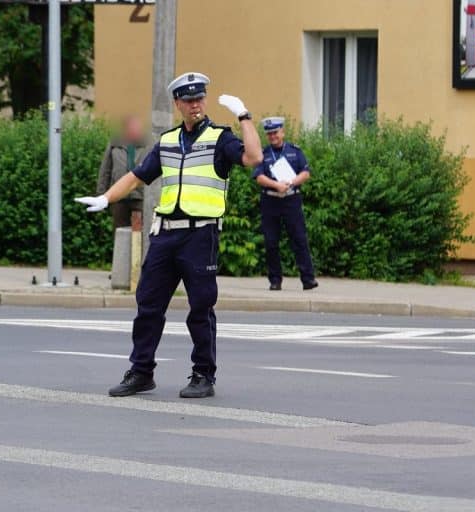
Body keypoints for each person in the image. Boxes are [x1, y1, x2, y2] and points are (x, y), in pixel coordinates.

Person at [76, 72, 263, 399]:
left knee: (200, 308)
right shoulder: (168, 141)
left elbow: (254, 158)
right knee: (148, 303)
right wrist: (107, 198)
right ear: (177, 103)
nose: (196, 105)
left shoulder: (221, 138)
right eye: (189, 100)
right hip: (165, 235)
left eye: (200, 98)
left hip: (200, 235)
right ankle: (141, 371)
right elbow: (136, 177)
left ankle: (203, 374)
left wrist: (244, 116)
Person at [252, 117, 318, 291]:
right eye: (269, 133)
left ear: (282, 132)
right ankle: (275, 281)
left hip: (291, 199)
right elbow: (259, 177)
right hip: (270, 200)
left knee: (299, 239)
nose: (273, 136)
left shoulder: (295, 151)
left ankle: (308, 279)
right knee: (271, 242)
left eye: (275, 132)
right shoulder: (263, 154)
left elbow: (306, 173)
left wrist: (291, 183)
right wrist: (276, 185)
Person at [96, 115, 150, 230]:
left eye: (138, 127)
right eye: (133, 127)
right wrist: (101, 194)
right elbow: (105, 170)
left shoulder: (148, 145)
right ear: (126, 129)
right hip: (119, 196)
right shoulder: (115, 144)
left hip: (140, 196)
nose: (136, 130)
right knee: (120, 231)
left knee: (141, 231)